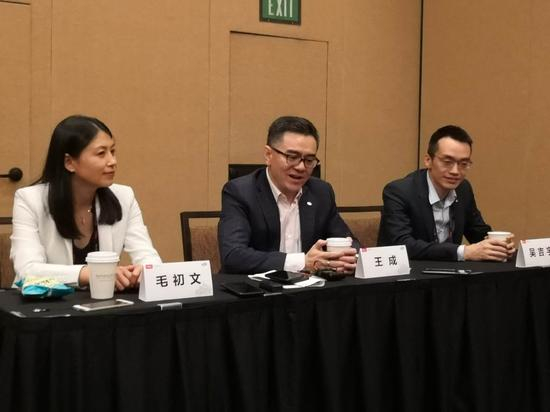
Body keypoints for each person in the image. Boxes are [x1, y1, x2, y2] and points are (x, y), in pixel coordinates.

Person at [10, 115, 161, 289]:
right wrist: (91, 273)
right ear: (69, 162)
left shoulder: (124, 196)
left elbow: (148, 257)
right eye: (101, 153)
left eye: (112, 151)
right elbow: (27, 270)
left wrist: (143, 271)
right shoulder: (29, 200)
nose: (113, 161)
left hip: (102, 302)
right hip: (45, 302)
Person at [218, 115, 358, 274]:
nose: (301, 167)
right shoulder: (240, 192)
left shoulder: (321, 192)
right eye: (292, 157)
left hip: (310, 287)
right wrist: (302, 262)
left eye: (309, 160)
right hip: (256, 287)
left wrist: (349, 258)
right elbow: (233, 255)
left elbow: (349, 242)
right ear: (268, 155)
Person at [377, 125, 515, 261]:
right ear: (428, 160)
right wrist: (464, 252)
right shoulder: (399, 191)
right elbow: (402, 245)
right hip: (407, 271)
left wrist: (498, 246)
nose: (455, 171)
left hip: (449, 272)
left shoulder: (463, 189)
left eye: (463, 164)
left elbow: (477, 232)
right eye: (448, 162)